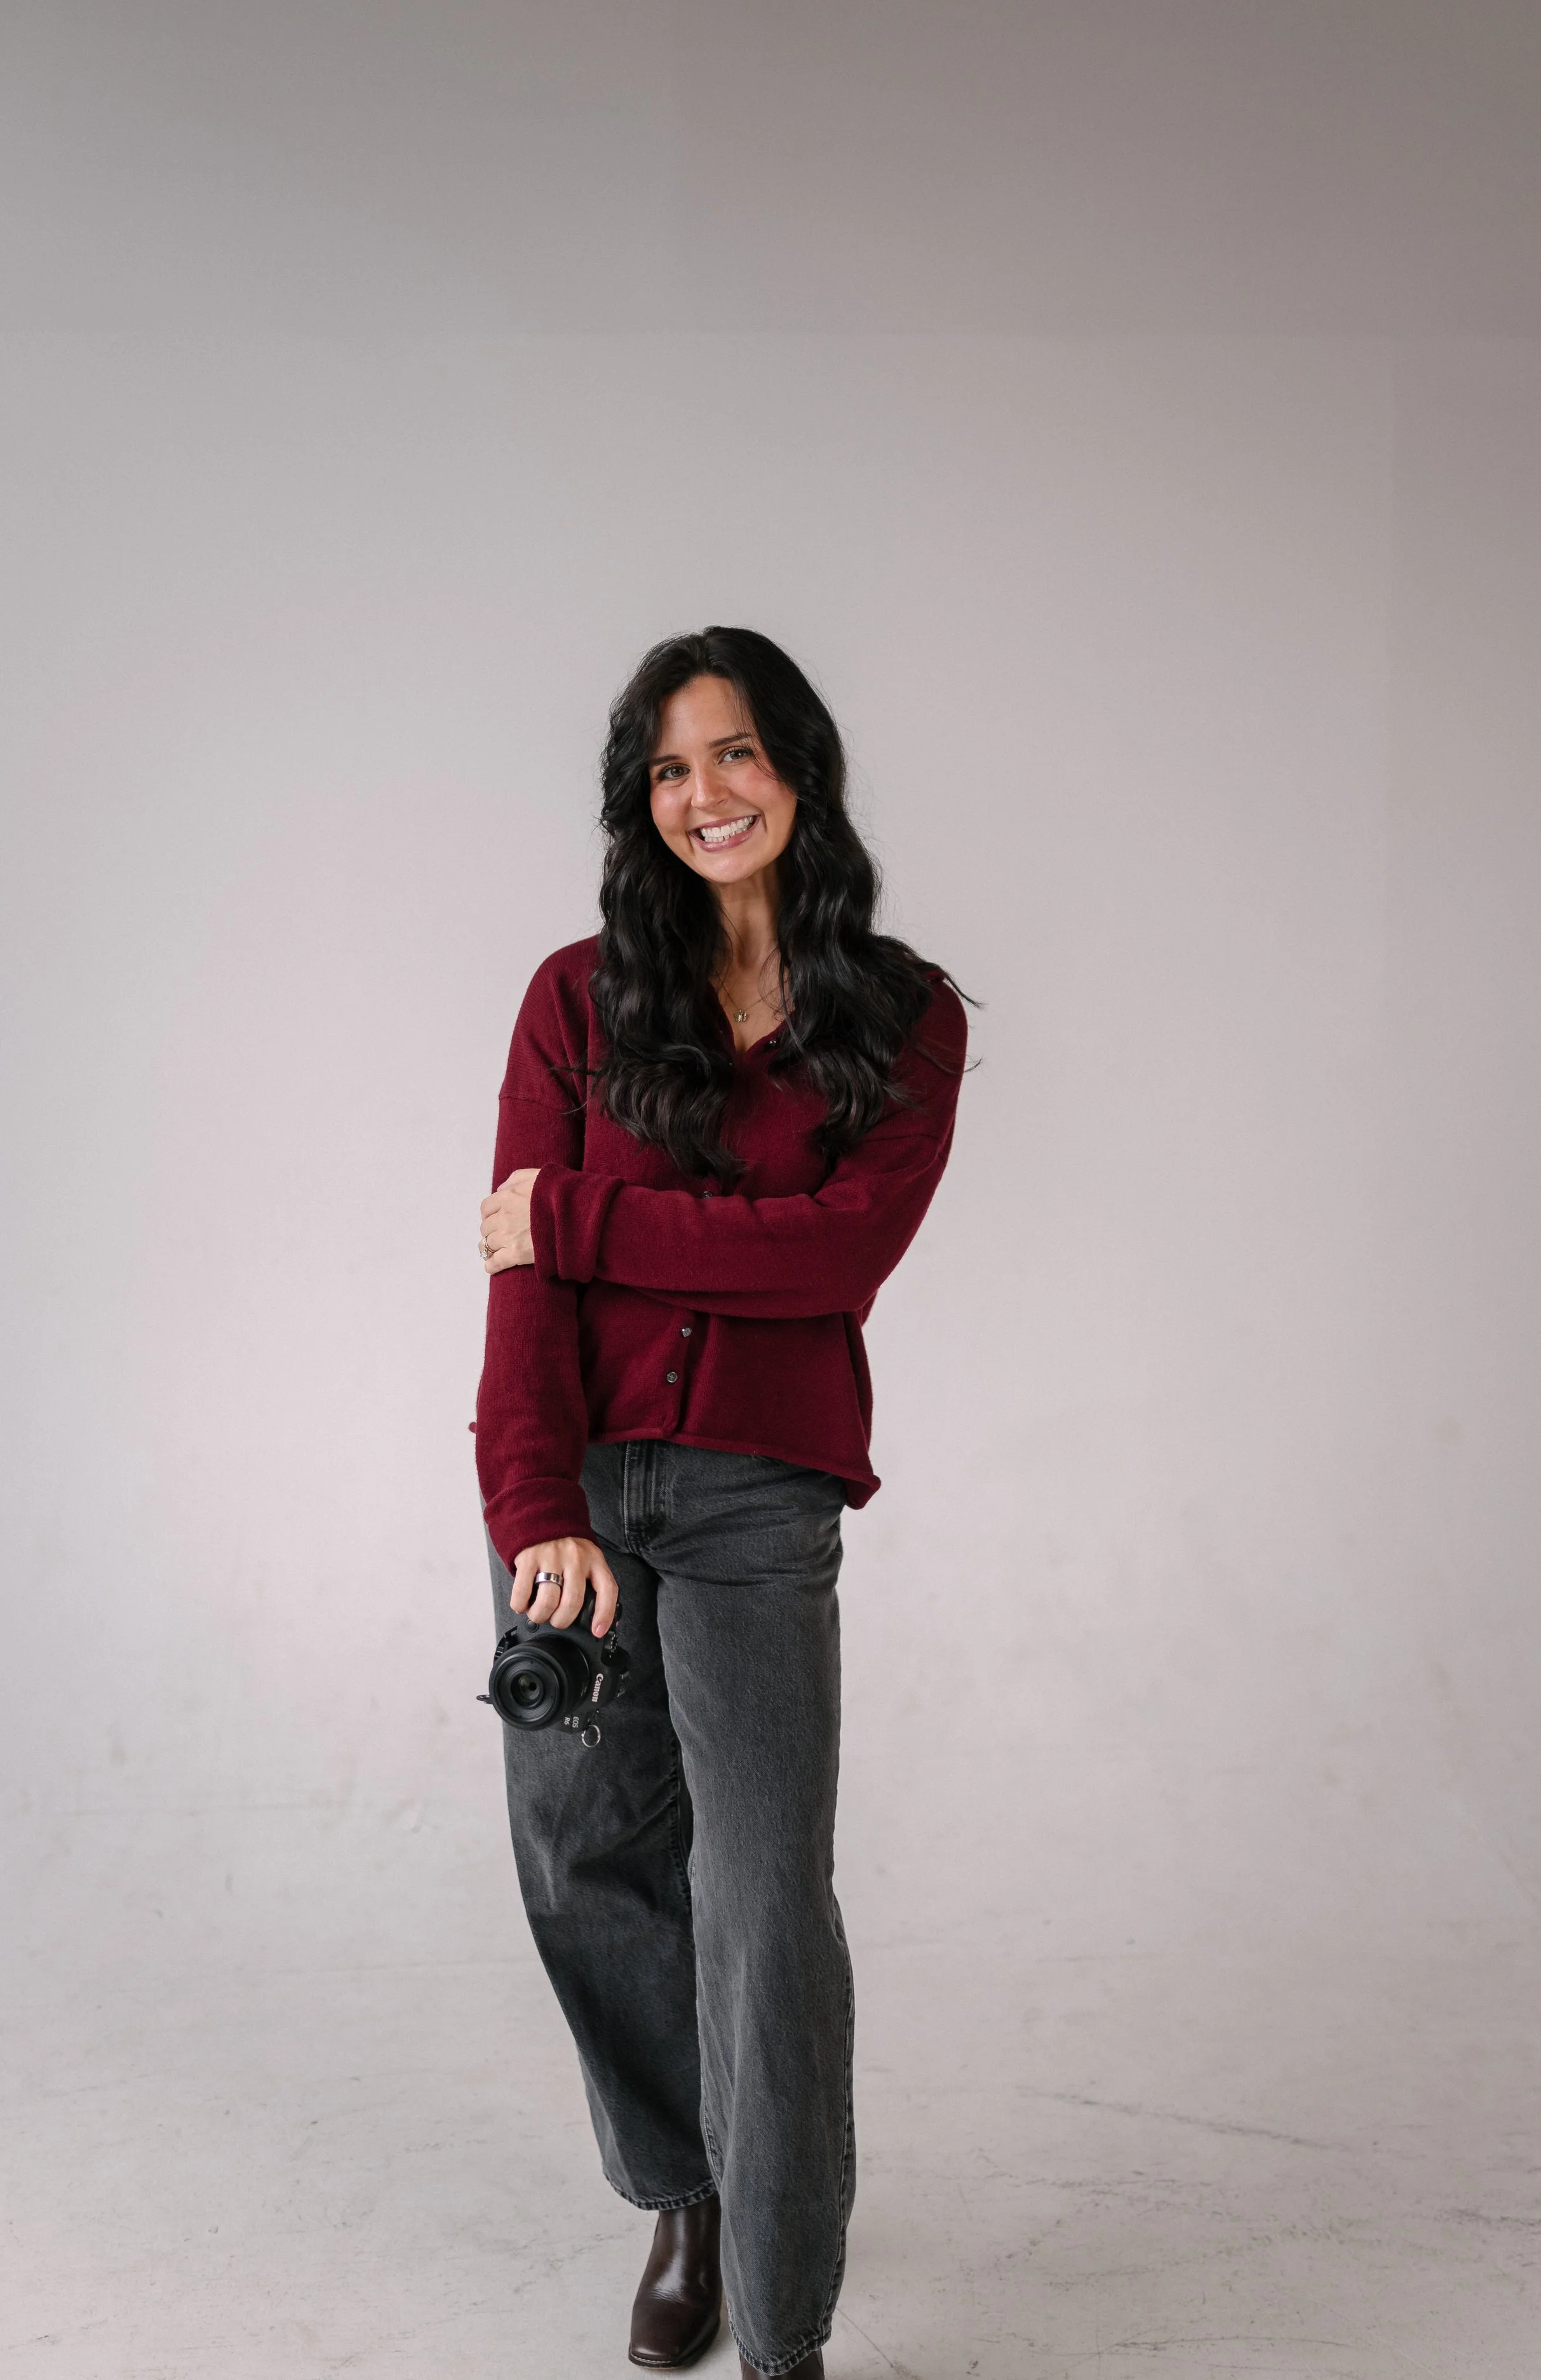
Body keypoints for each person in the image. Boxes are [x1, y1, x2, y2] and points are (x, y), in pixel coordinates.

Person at [473, 627, 967, 2378]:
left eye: (738, 752)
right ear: (643, 801)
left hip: (761, 1498)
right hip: (579, 1497)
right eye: (672, 768)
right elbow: (519, 1299)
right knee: (584, 1856)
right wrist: (534, 1505)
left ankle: (781, 2322)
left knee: (762, 1897)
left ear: (801, 767)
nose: (708, 794)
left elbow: (833, 1255)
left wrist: (583, 1216)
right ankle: (683, 2188)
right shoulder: (575, 999)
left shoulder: (900, 1015)